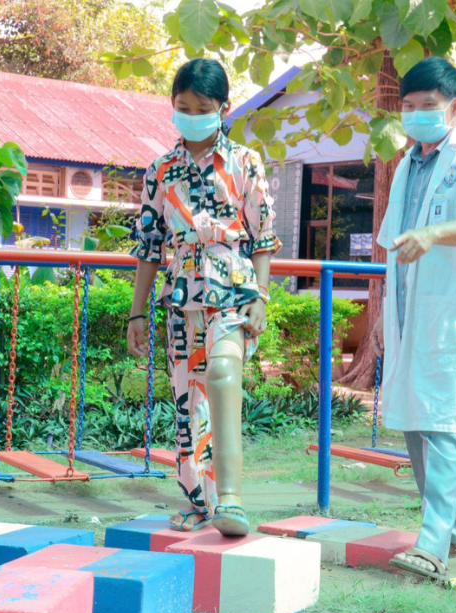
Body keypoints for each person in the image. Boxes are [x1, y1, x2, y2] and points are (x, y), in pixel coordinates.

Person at [126, 58, 280, 537]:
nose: (192, 114)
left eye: (203, 107)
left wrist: (263, 295)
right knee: (188, 401)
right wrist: (137, 310)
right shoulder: (160, 171)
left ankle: (231, 498)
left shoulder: (244, 162)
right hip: (181, 294)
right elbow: (149, 246)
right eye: (183, 106)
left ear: (223, 108)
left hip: (233, 284)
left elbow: (264, 237)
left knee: (222, 371)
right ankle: (200, 501)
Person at [371, 57, 456, 580]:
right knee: (413, 417)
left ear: (454, 107)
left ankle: (432, 545)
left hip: (451, 308)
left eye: (426, 107)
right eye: (407, 107)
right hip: (407, 306)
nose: (415, 115)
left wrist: (431, 236)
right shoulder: (409, 163)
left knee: (447, 421)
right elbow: (392, 240)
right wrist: (383, 313)